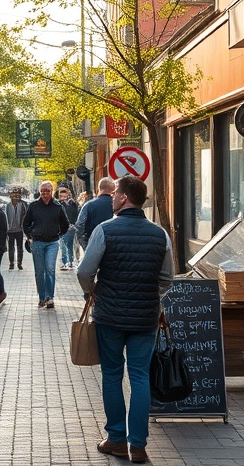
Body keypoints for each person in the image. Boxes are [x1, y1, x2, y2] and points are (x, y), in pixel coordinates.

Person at [78, 175, 174, 465]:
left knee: (111, 375)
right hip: (145, 317)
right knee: (140, 377)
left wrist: (93, 291)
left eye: (115, 192)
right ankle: (139, 446)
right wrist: (150, 295)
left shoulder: (105, 230)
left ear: (123, 198)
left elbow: (84, 272)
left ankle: (117, 439)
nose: (111, 197)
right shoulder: (160, 234)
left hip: (110, 315)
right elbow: (167, 277)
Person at [22, 180, 69, 308]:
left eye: (47, 191)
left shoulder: (58, 206)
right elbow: (25, 224)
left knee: (50, 268)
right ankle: (41, 297)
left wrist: (59, 234)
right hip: (37, 242)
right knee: (39, 271)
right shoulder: (33, 206)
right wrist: (30, 235)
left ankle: (50, 297)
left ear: (52, 192)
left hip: (52, 243)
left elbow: (65, 224)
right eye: (42, 191)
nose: (44, 193)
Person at [76, 177, 116, 248]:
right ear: (113, 189)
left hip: (94, 244)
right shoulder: (118, 204)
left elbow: (80, 226)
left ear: (99, 188)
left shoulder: (88, 205)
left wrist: (86, 246)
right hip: (115, 245)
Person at [4, 188, 28, 270]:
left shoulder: (22, 205)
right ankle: (11, 263)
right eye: (13, 194)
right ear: (10, 196)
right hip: (10, 230)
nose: (15, 196)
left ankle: (19, 263)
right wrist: (6, 228)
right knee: (11, 247)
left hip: (19, 230)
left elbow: (26, 216)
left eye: (17, 194)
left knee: (20, 247)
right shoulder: (7, 205)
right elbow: (5, 217)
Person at [58, 185, 80, 270]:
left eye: (64, 195)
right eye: (61, 196)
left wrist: (74, 224)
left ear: (68, 195)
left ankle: (70, 261)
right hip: (61, 228)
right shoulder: (58, 204)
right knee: (63, 245)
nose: (63, 198)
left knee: (70, 245)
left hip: (71, 228)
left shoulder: (73, 204)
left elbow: (76, 214)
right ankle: (64, 262)